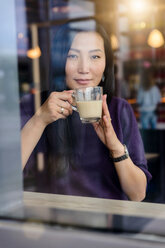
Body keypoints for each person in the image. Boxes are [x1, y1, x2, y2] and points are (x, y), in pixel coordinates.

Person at [21, 20, 151, 201]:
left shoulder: (119, 109)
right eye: (73, 56)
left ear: (106, 64)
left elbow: (137, 194)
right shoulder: (34, 105)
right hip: (53, 222)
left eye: (95, 57)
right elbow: (7, 175)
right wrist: (40, 120)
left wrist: (114, 145)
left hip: (108, 223)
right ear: (59, 62)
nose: (84, 69)